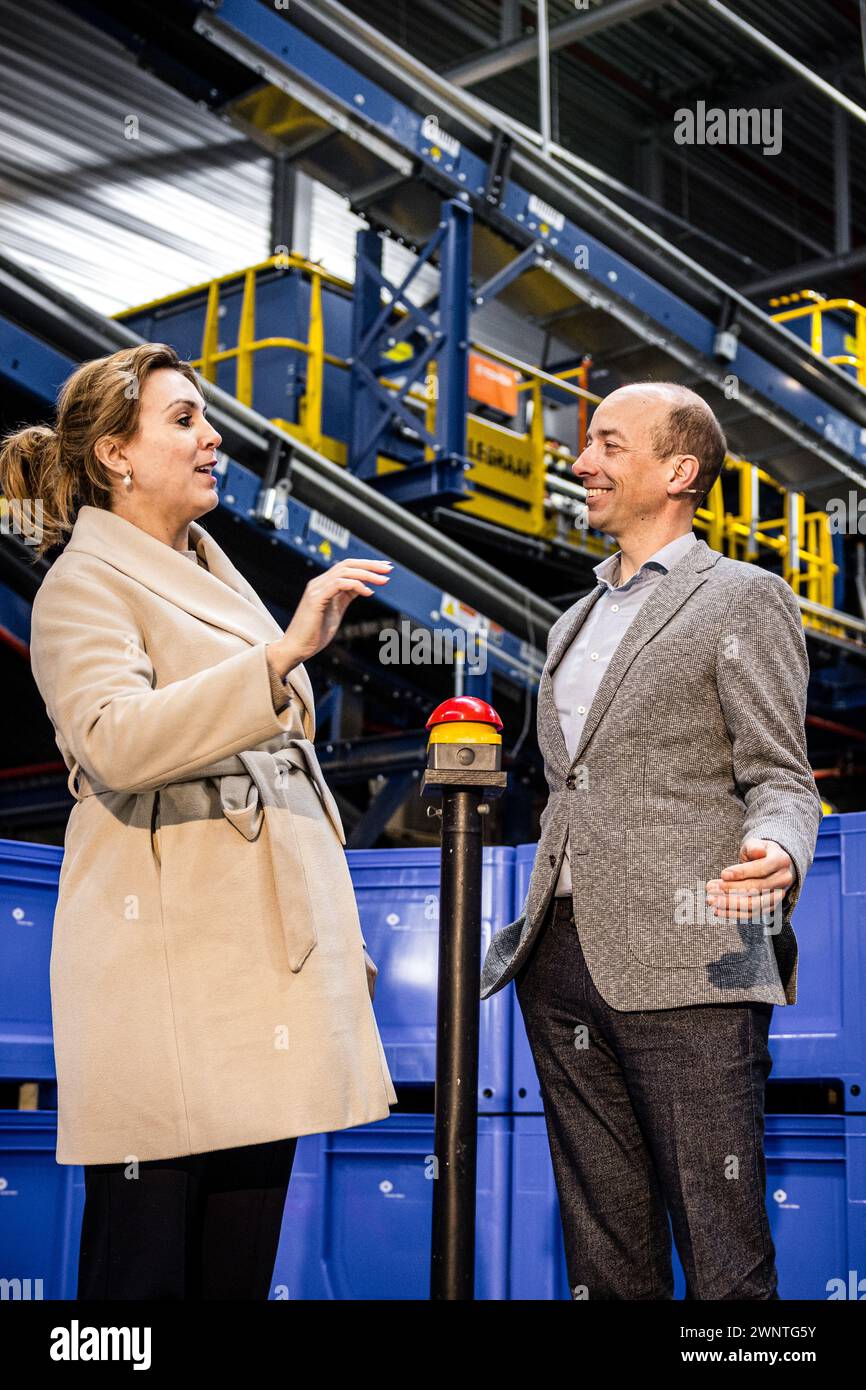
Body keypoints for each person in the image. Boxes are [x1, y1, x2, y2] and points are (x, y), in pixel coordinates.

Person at [0, 342, 398, 1300]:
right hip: (170, 971)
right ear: (115, 456)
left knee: (235, 1263)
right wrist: (280, 658)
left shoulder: (212, 576)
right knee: (142, 1275)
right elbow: (111, 739)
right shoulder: (84, 584)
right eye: (182, 420)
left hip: (258, 969)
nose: (213, 436)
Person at [481, 381, 823, 1300]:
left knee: (725, 1258)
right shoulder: (572, 621)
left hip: (692, 954)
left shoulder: (743, 598)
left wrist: (781, 851)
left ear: (678, 471)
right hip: (558, 958)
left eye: (606, 445)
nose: (582, 463)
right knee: (604, 1250)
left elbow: (781, 776)